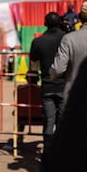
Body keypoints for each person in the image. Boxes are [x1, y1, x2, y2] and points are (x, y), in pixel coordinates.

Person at [29, 12, 66, 154]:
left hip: (47, 87)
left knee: (48, 124)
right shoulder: (66, 39)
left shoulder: (38, 42)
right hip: (64, 86)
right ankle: (62, 154)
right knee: (63, 124)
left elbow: (34, 64)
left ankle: (49, 154)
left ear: (45, 23)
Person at [50, 1, 87, 104]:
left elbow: (58, 70)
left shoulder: (69, 39)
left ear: (80, 18)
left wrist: (53, 75)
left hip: (74, 100)